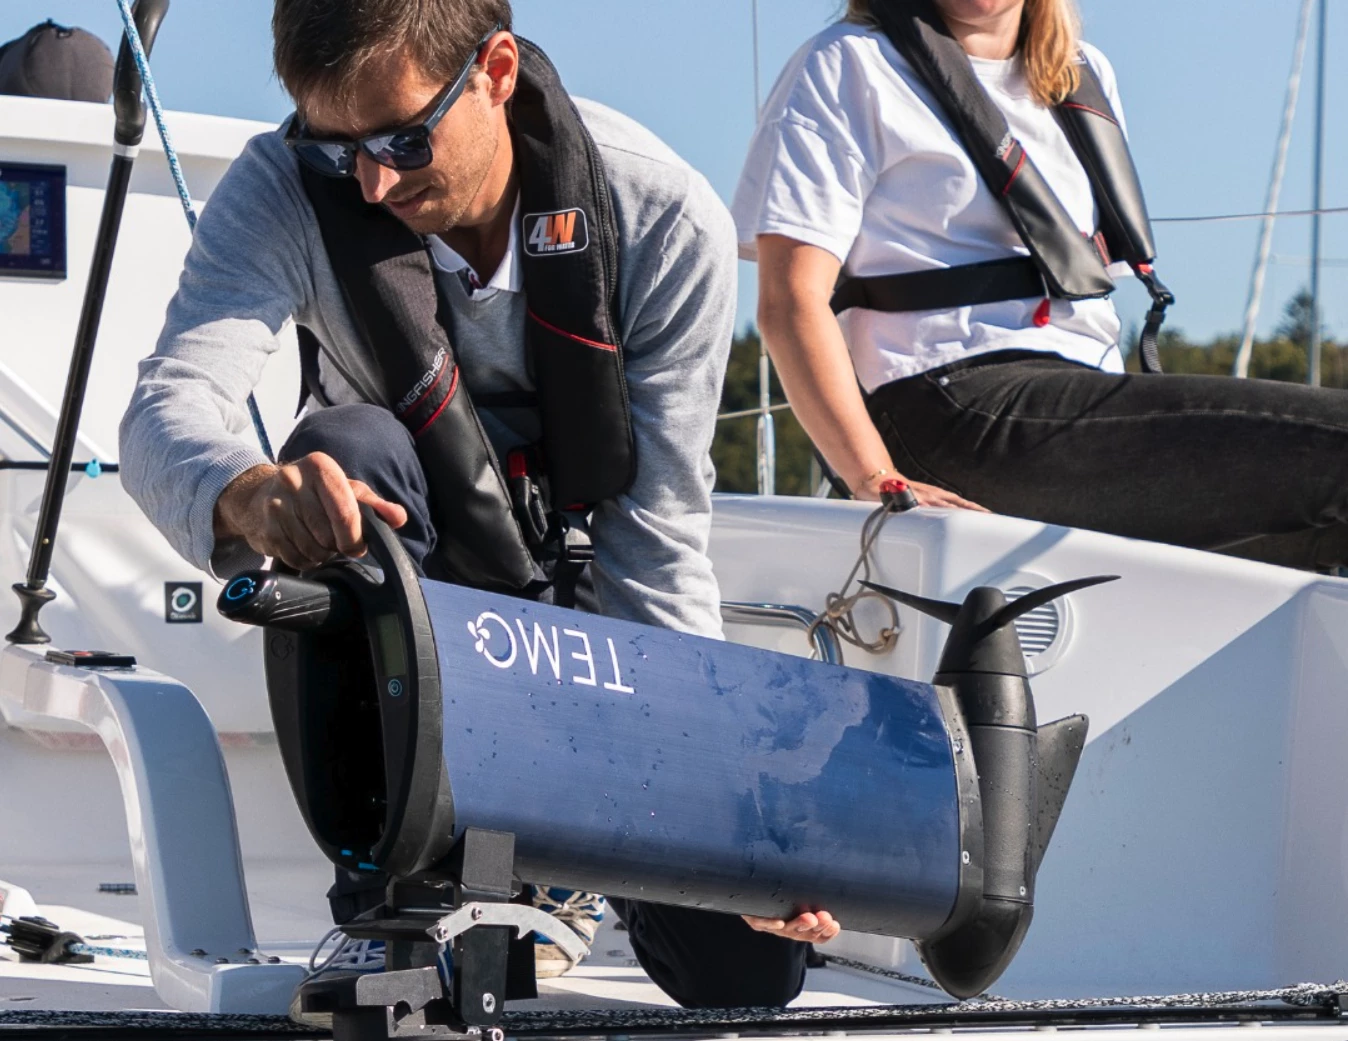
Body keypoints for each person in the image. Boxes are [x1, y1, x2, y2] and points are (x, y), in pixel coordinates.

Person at [119, 0, 836, 1008]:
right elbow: (168, 405)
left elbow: (658, 546)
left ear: (496, 70)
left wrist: (722, 808)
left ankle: (567, 875)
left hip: (599, 630)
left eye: (402, 140)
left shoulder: (664, 217)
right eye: (337, 147)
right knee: (341, 450)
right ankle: (390, 903)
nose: (372, 181)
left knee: (746, 975)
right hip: (413, 601)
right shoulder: (283, 187)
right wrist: (246, 493)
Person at [733, 0, 1348, 571]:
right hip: (950, 402)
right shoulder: (851, 63)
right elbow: (790, 301)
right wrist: (874, 477)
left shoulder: (1080, 74)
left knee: (1322, 544)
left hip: (1080, 395)